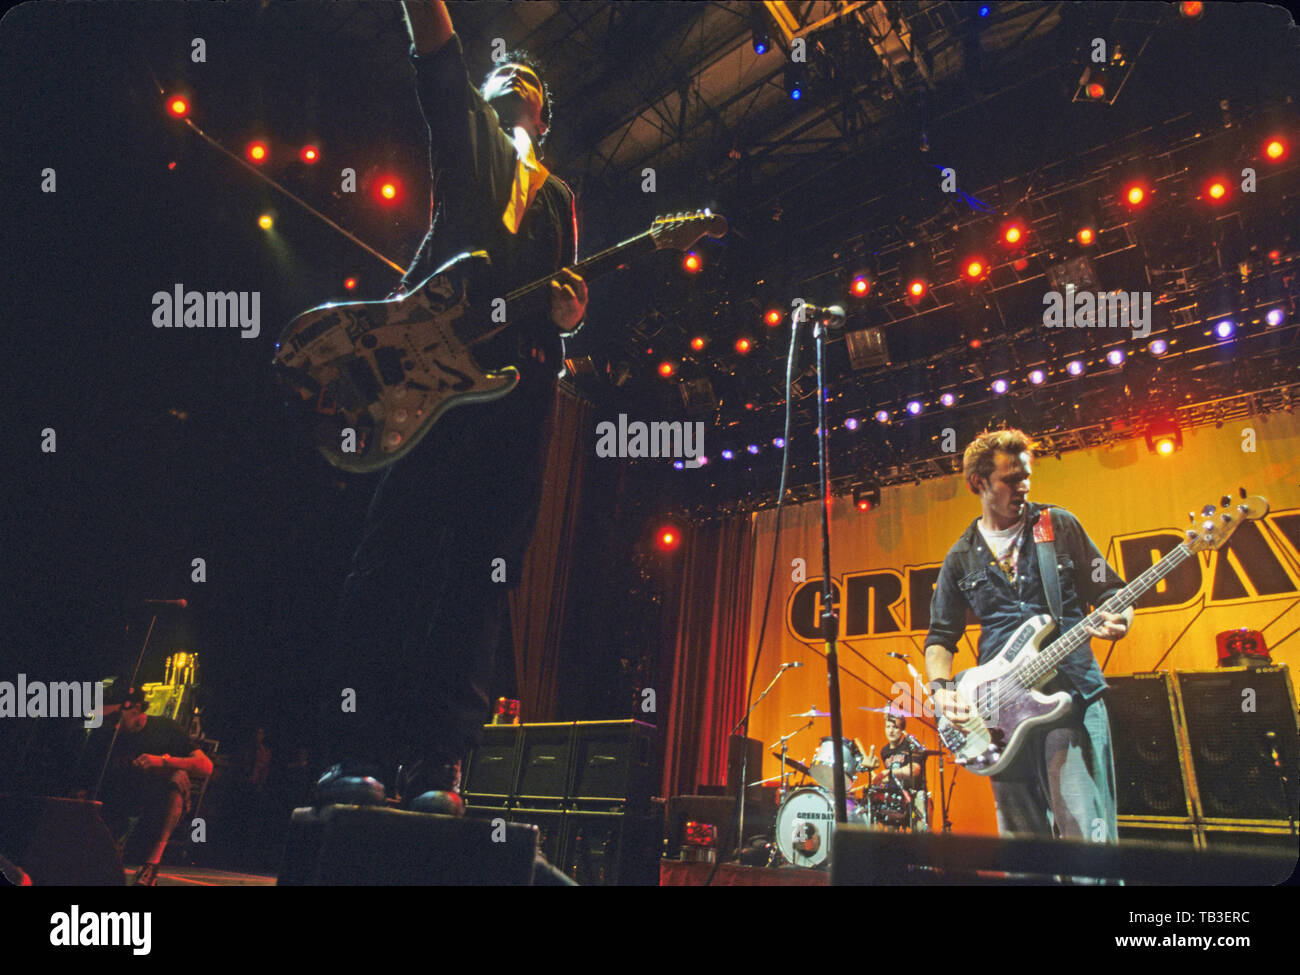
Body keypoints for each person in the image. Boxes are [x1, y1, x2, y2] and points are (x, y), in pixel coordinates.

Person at [315, 0, 587, 813]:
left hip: (517, 393)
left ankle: (440, 764)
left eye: (527, 82)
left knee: (480, 579)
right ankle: (353, 749)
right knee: (393, 558)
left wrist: (572, 317)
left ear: (544, 111)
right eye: (502, 75)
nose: (514, 81)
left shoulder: (560, 195)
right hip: (432, 385)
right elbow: (436, 51)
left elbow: (563, 298)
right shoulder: (466, 133)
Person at [924, 429, 1131, 849]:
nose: (1024, 486)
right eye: (1011, 478)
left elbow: (1109, 590)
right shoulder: (960, 556)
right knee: (1023, 846)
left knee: (1085, 838)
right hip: (998, 715)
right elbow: (941, 637)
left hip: (1070, 695)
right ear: (977, 483)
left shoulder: (1058, 525)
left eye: (1026, 477)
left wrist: (1121, 615)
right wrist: (941, 690)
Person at [79, 686, 213, 886]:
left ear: (136, 708)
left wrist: (163, 761)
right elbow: (83, 782)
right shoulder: (103, 736)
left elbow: (206, 766)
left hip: (152, 807)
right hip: (114, 806)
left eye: (116, 716)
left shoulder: (165, 728)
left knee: (179, 776)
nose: (113, 724)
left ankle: (152, 864)